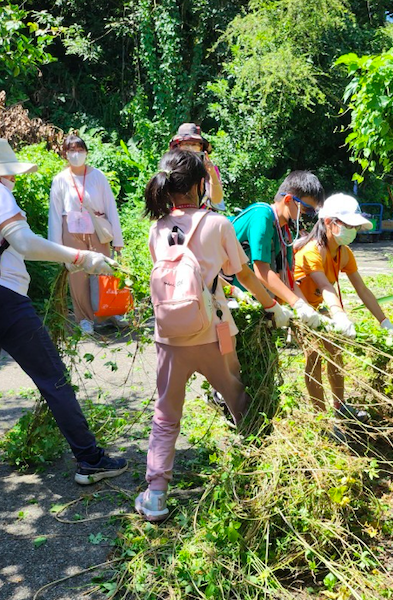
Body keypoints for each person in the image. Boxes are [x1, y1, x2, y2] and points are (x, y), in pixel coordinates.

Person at [0, 137, 127, 487]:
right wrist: (81, 258)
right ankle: (91, 459)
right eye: (10, 172)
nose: (13, 179)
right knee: (53, 378)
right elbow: (24, 243)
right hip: (4, 300)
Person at [135, 149, 292, 522]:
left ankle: (156, 496)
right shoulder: (217, 223)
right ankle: (256, 471)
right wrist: (273, 307)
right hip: (214, 332)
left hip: (169, 337)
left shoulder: (155, 229)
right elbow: (245, 274)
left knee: (166, 416)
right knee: (236, 396)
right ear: (200, 184)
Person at [293, 194, 393, 419]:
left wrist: (384, 321)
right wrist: (339, 315)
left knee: (335, 351)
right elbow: (324, 286)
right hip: (298, 307)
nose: (353, 230)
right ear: (330, 223)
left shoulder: (343, 253)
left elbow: (362, 289)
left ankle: (340, 407)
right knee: (314, 357)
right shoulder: (311, 251)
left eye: (355, 226)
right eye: (349, 225)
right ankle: (321, 418)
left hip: (318, 307)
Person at [48, 134, 125, 335]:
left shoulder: (98, 176)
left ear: (86, 153)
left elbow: (111, 207)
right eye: (71, 150)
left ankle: (111, 313)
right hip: (71, 231)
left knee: (105, 270)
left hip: (98, 229)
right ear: (65, 154)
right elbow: (55, 215)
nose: (76, 154)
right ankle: (84, 319)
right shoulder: (60, 180)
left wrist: (118, 239)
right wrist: (55, 248)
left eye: (80, 150)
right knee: (78, 275)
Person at [229, 171, 325, 328]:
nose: (307, 216)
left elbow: (288, 279)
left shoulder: (285, 233)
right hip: (231, 297)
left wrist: (307, 308)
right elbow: (262, 271)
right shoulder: (262, 215)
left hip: (256, 302)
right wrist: (297, 304)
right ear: (288, 200)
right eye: (307, 209)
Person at [169, 123, 225, 212]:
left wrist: (212, 173)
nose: (190, 149)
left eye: (194, 145)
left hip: (204, 218)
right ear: (179, 147)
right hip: (177, 217)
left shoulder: (210, 170)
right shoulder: (171, 167)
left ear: (201, 147)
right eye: (186, 144)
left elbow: (217, 200)